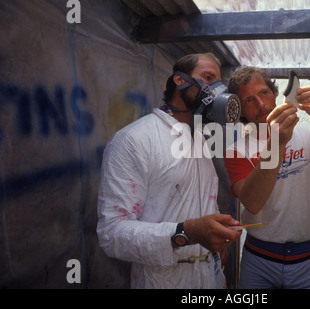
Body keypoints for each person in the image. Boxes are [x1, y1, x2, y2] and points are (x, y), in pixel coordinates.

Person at [97, 53, 242, 289]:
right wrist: (186, 233)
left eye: (219, 82)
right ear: (179, 80)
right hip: (163, 280)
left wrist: (214, 239)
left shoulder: (199, 138)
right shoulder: (134, 140)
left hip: (211, 275)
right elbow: (111, 233)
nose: (216, 90)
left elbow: (202, 200)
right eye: (207, 78)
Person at [224, 67, 310, 289]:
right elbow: (252, 203)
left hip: (306, 258)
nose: (261, 105)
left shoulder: (309, 133)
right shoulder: (236, 150)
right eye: (249, 100)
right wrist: (277, 143)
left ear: (275, 93)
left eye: (263, 93)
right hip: (259, 259)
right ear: (241, 111)